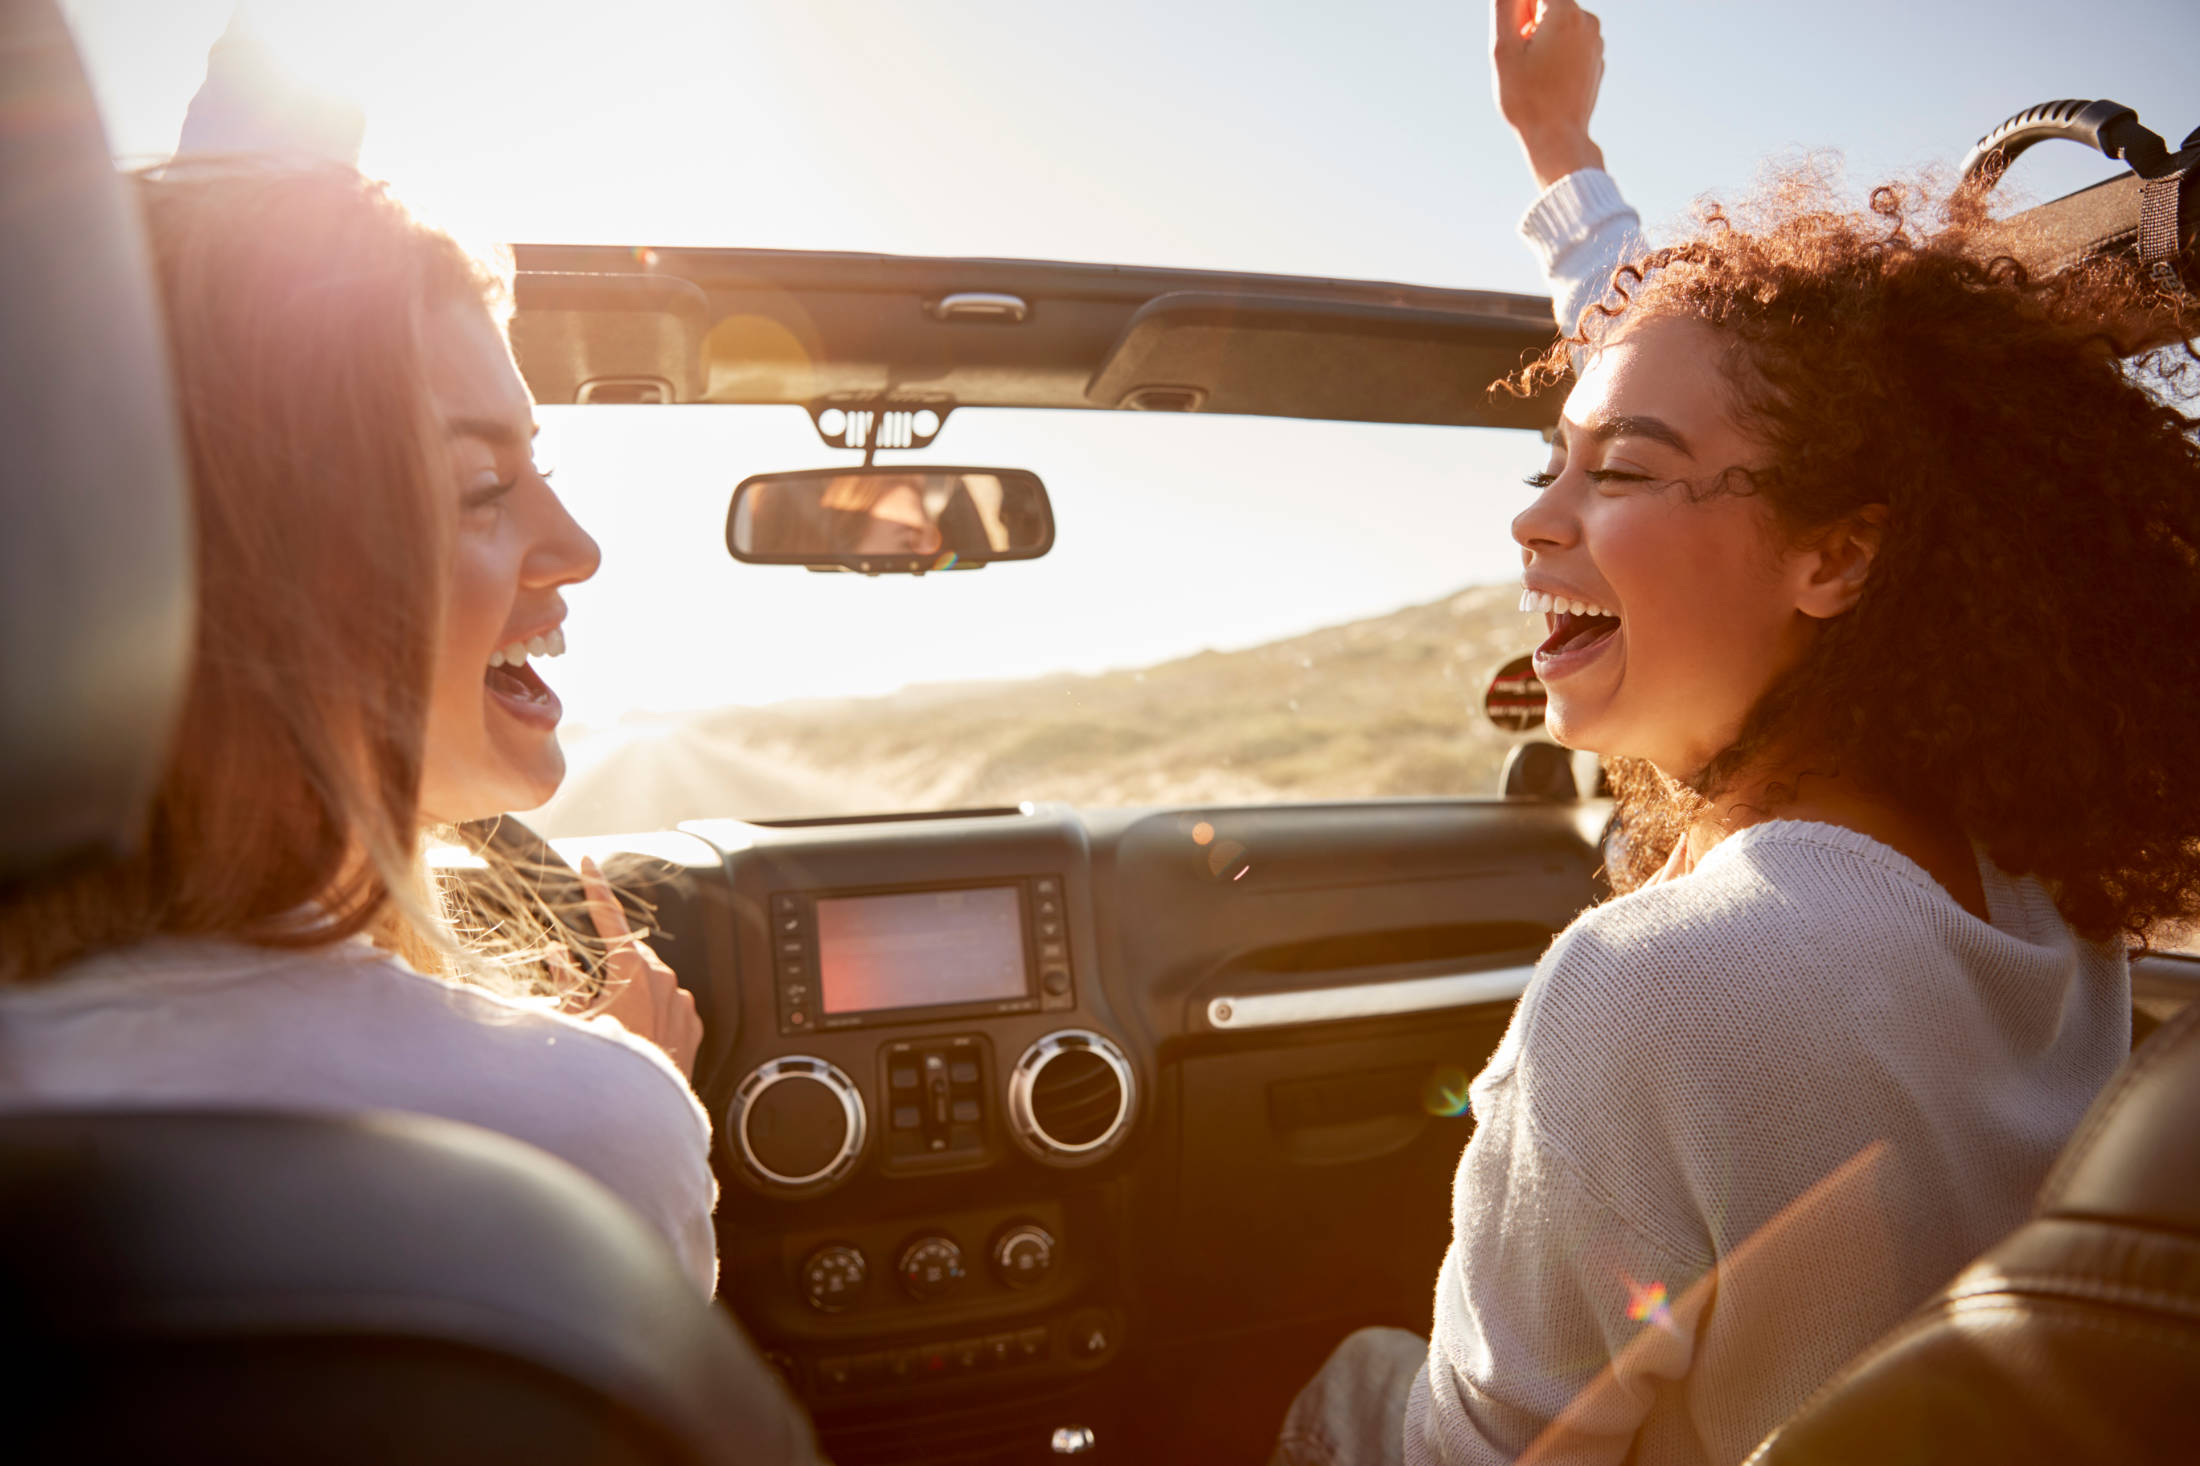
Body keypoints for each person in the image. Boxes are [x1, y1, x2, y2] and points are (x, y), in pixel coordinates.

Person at [1270, 2, 2200, 1462]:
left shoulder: (1650, 989)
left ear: (1839, 557)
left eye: (1615, 474)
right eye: (1553, 458)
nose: (1534, 514)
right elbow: (1719, 402)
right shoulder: (2033, 886)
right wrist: (1559, 154)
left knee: (1346, 1378)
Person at [0, 162, 715, 1293]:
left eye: (544, 467)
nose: (577, 544)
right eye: (482, 483)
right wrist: (626, 1086)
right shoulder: (580, 1130)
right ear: (246, 570)